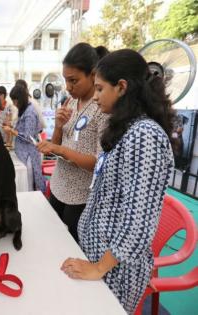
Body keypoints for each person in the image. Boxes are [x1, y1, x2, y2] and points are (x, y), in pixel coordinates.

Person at [60, 49, 175, 314]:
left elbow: (139, 222)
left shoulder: (144, 135)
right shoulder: (126, 127)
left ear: (121, 87)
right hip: (99, 256)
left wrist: (99, 267)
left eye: (100, 89)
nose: (96, 96)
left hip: (113, 270)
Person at [37, 43, 109, 242]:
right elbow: (55, 147)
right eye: (66, 80)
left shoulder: (102, 108)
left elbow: (98, 164)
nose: (68, 87)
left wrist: (60, 149)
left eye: (74, 80)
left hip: (80, 196)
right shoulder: (70, 102)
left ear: (93, 75)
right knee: (52, 238)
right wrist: (59, 126)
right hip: (59, 185)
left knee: (70, 246)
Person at [4, 85, 46, 192]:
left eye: (14, 100)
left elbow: (29, 137)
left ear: (20, 99)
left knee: (30, 184)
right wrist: (12, 127)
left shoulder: (30, 113)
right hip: (23, 153)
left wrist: (12, 131)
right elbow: (22, 128)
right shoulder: (24, 109)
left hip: (29, 155)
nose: (13, 103)